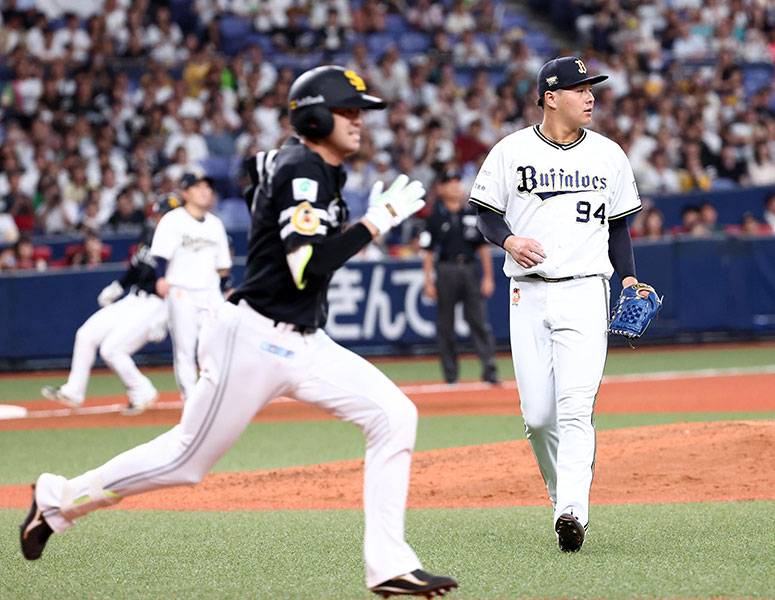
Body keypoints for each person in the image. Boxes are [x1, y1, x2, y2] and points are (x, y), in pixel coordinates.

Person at [20, 65, 458, 600]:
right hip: (254, 340)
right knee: (185, 461)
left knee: (394, 414)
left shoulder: (310, 167)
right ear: (316, 115)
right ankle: (59, 500)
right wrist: (375, 222)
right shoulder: (304, 166)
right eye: (348, 110)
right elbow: (307, 266)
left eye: (359, 111)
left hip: (304, 340)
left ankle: (389, 565)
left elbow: (256, 170)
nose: (359, 121)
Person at [469, 57, 651, 552]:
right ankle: (560, 498)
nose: (590, 96)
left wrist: (629, 277)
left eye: (592, 88)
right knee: (539, 418)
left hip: (587, 289)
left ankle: (573, 510)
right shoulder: (511, 151)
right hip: (525, 292)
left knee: (574, 409)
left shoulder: (609, 155)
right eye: (579, 89)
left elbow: (618, 226)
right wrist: (508, 241)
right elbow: (484, 215)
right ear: (551, 97)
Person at [40, 195, 179, 415]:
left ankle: (142, 391)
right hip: (134, 298)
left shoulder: (181, 242)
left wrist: (166, 316)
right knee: (86, 334)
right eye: (159, 214)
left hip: (157, 304)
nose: (159, 218)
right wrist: (118, 285)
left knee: (112, 350)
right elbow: (138, 266)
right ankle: (73, 391)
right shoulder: (150, 233)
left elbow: (181, 284)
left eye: (165, 215)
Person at [151, 170, 232, 405]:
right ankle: (191, 401)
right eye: (198, 187)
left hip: (211, 293)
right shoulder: (173, 220)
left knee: (219, 345)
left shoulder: (215, 224)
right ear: (185, 193)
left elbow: (223, 264)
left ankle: (216, 395)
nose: (205, 191)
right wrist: (160, 279)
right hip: (182, 291)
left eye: (207, 187)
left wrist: (227, 288)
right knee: (185, 350)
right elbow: (160, 255)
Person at [420, 169, 499, 385]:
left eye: (457, 182)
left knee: (479, 321)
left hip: (470, 268)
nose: (455, 186)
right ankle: (451, 375)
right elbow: (427, 252)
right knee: (445, 324)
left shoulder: (472, 215)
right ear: (440, 188)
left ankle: (490, 370)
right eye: (450, 183)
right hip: (445, 269)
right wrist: (428, 281)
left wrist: (488, 277)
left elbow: (483, 249)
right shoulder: (434, 218)